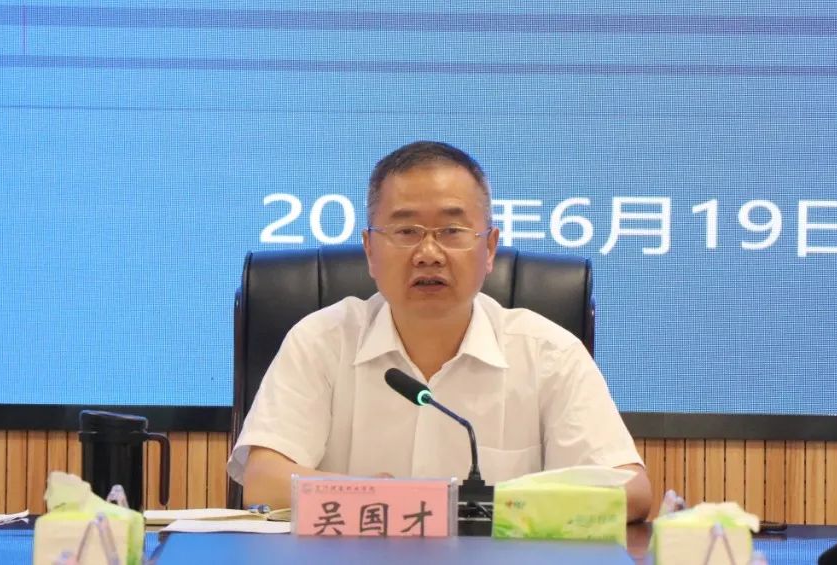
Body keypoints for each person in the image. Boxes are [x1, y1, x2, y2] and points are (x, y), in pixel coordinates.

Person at [227, 141, 652, 521]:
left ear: (489, 248)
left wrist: (500, 507)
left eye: (451, 231)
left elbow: (630, 491)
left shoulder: (548, 352)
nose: (428, 253)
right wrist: (383, 500)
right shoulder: (321, 341)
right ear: (370, 250)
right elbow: (264, 482)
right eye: (406, 231)